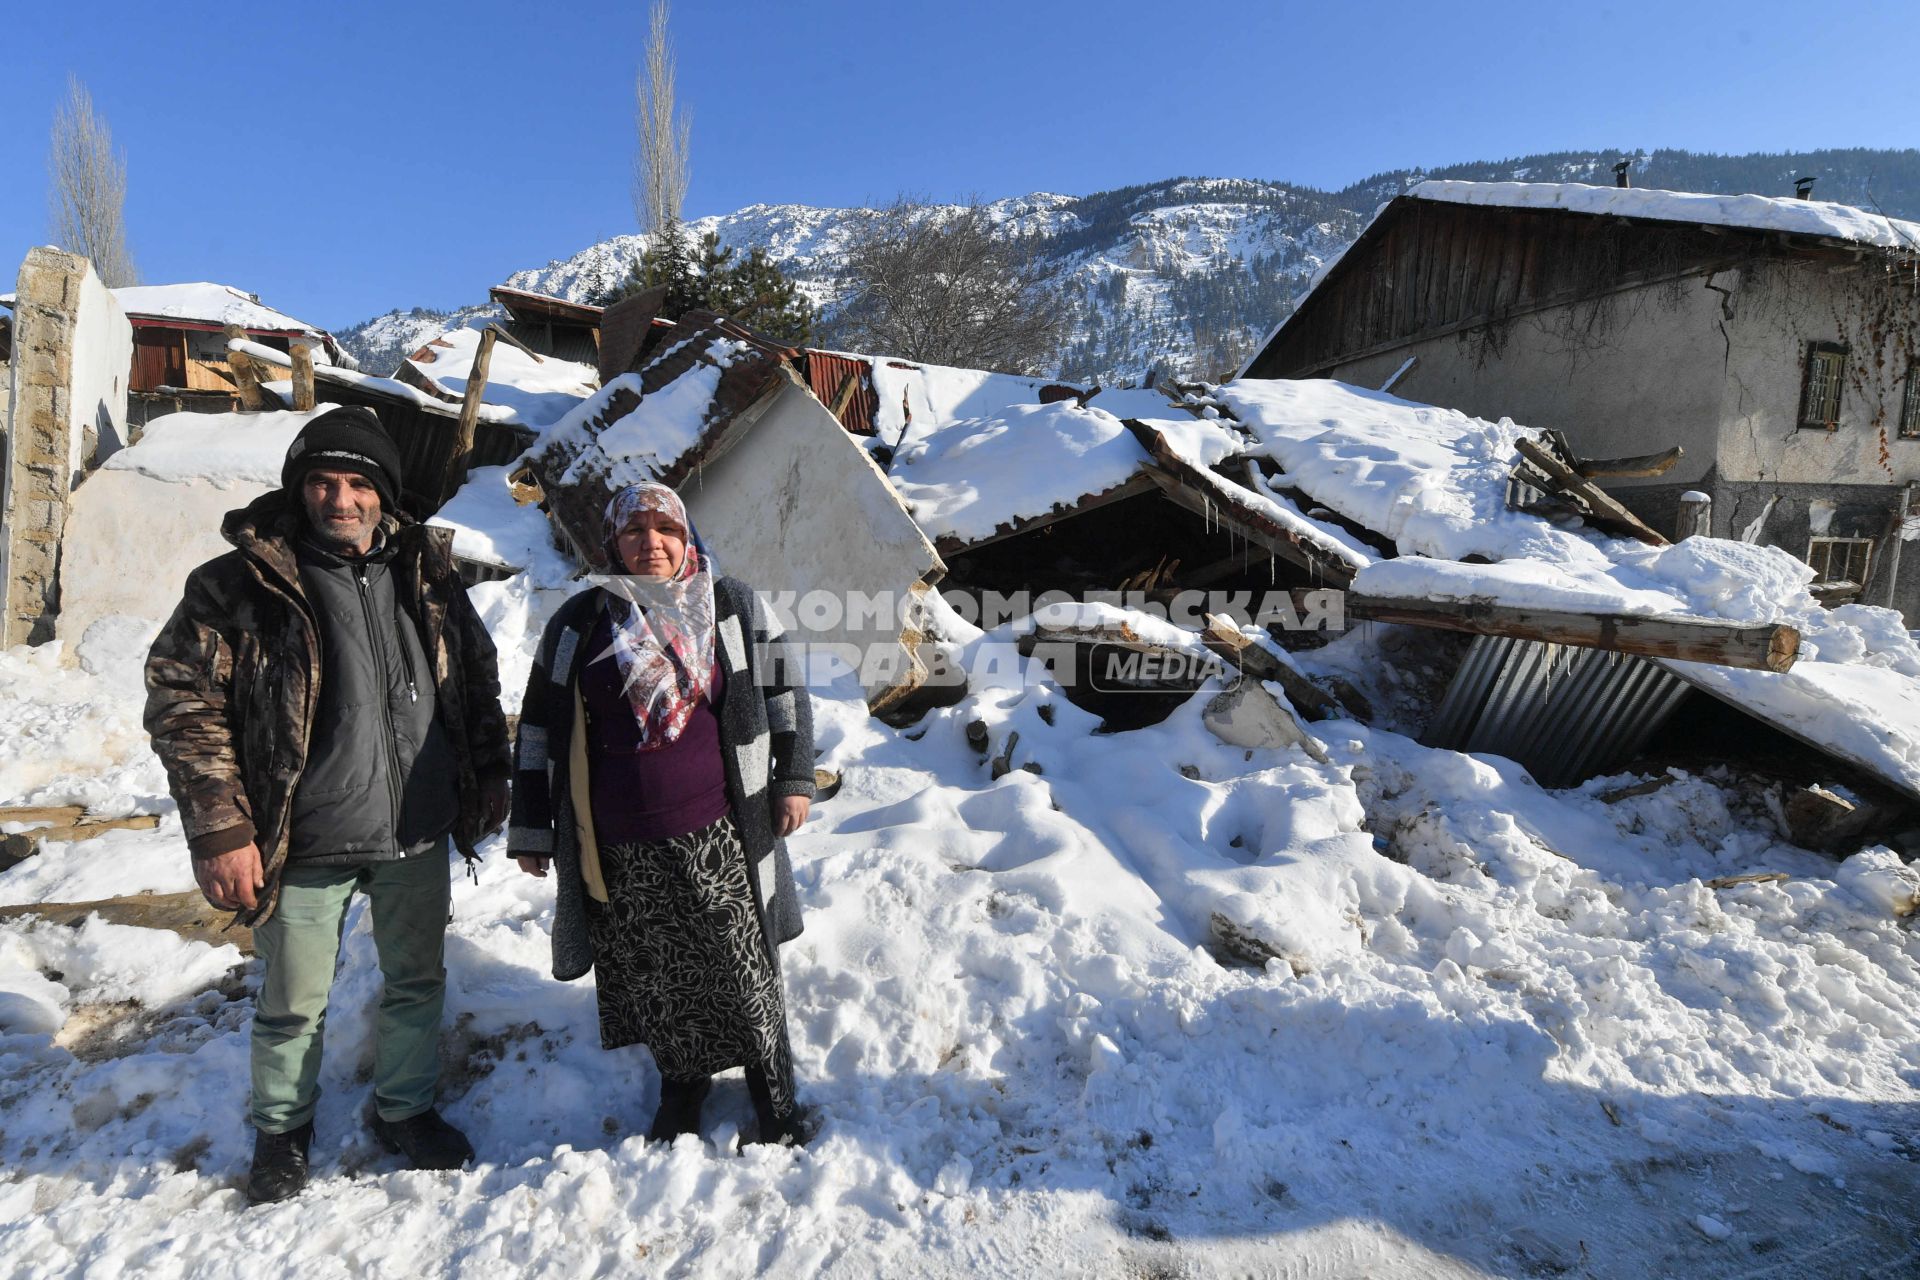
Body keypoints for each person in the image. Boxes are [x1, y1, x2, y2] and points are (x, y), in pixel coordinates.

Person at [144, 406, 511, 1204]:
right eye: (321, 481)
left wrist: (488, 776)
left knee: (418, 981)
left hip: (415, 828)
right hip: (305, 834)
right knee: (292, 1001)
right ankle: (282, 1129)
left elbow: (473, 678)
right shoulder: (237, 584)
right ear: (299, 489)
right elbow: (183, 702)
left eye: (356, 483)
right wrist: (222, 830)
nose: (339, 500)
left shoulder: (426, 569)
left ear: (383, 494)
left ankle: (404, 1109)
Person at [507, 481, 814, 1145]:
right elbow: (538, 728)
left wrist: (793, 777)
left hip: (723, 830)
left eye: (665, 530)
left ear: (685, 539)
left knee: (744, 966)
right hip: (619, 841)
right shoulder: (580, 623)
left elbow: (786, 692)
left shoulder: (730, 607)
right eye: (634, 532)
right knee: (660, 975)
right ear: (612, 544)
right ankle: (683, 1084)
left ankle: (772, 1090)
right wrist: (532, 825)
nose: (651, 543)